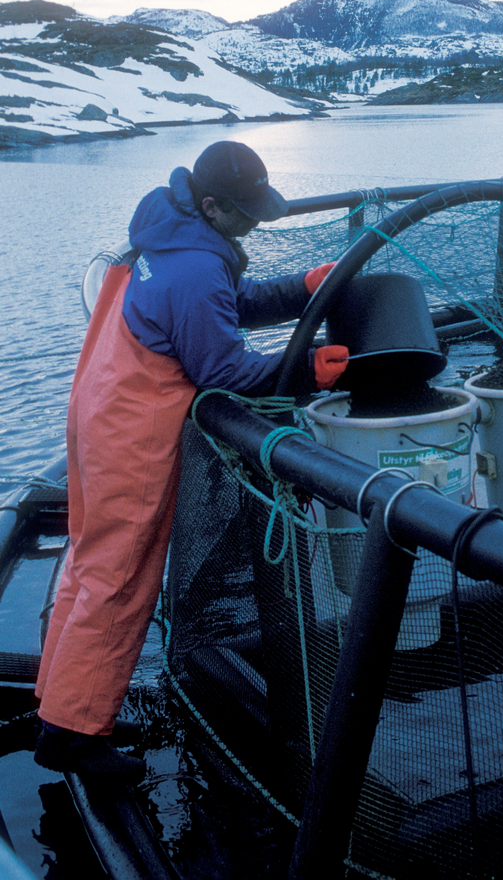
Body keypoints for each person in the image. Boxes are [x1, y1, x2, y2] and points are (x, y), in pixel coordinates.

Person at [34, 141, 348, 781]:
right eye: (247, 213)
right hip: (132, 430)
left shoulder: (172, 233)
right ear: (212, 205)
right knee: (119, 578)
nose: (256, 222)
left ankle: (58, 704)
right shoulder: (195, 269)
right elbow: (223, 369)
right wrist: (309, 374)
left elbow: (229, 304)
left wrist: (303, 288)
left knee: (90, 562)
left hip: (97, 406)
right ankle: (74, 736)